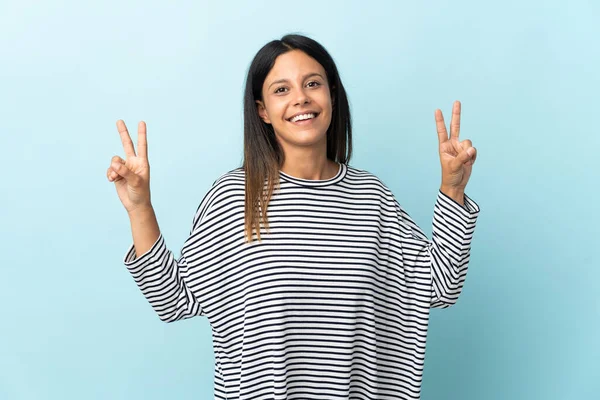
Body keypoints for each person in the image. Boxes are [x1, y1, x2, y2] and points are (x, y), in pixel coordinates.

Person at [107, 34, 480, 400]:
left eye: (312, 84)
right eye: (281, 89)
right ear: (262, 111)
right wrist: (140, 207)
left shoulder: (371, 197)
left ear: (332, 95)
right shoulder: (233, 196)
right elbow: (175, 300)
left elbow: (441, 287)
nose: (301, 98)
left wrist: (452, 190)